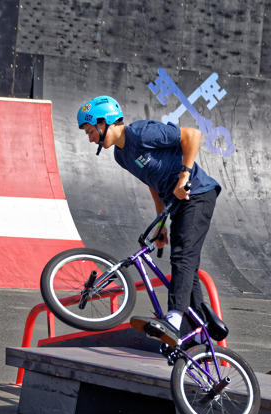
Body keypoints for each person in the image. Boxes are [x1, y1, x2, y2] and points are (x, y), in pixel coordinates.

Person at [77, 95, 221, 341]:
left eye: (91, 131)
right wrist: (161, 222)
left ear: (105, 122)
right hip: (177, 204)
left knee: (182, 256)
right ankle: (203, 325)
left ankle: (174, 318)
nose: (90, 138)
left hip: (197, 193)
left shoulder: (141, 133)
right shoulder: (121, 156)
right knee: (187, 265)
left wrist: (184, 177)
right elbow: (152, 183)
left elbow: (192, 135)